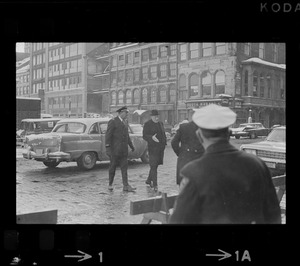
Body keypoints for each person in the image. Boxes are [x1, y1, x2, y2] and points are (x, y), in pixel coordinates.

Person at [169, 104, 281, 224]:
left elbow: (179, 220)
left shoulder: (193, 172)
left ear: (199, 135)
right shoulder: (257, 165)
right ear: (229, 134)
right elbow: (273, 215)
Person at [105, 106, 136, 192]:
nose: (127, 114)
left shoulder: (125, 122)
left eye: (127, 113)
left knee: (124, 168)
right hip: (115, 151)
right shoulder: (113, 122)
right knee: (112, 167)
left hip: (123, 150)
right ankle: (110, 184)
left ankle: (125, 185)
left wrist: (131, 146)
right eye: (126, 113)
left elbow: (127, 136)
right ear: (121, 113)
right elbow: (108, 136)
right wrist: (108, 148)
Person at [171, 120, 205, 189]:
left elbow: (174, 142)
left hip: (184, 162)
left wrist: (180, 153)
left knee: (183, 189)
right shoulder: (204, 129)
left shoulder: (183, 127)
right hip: (198, 164)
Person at [142, 109, 167, 191]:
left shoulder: (160, 123)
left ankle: (148, 180)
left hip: (160, 149)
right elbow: (144, 135)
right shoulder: (147, 124)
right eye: (155, 116)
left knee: (155, 166)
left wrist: (165, 143)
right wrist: (151, 137)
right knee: (153, 166)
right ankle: (155, 185)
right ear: (151, 117)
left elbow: (163, 134)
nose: (157, 118)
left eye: (157, 116)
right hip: (152, 149)